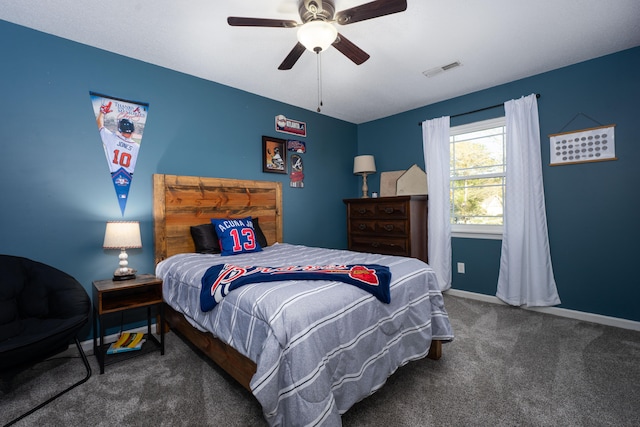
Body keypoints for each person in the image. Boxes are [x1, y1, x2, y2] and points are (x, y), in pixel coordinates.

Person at [96, 102, 140, 174]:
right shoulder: (137, 148)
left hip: (112, 176)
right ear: (133, 131)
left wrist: (102, 112)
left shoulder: (111, 138)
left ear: (120, 129)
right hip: (129, 179)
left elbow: (99, 125)